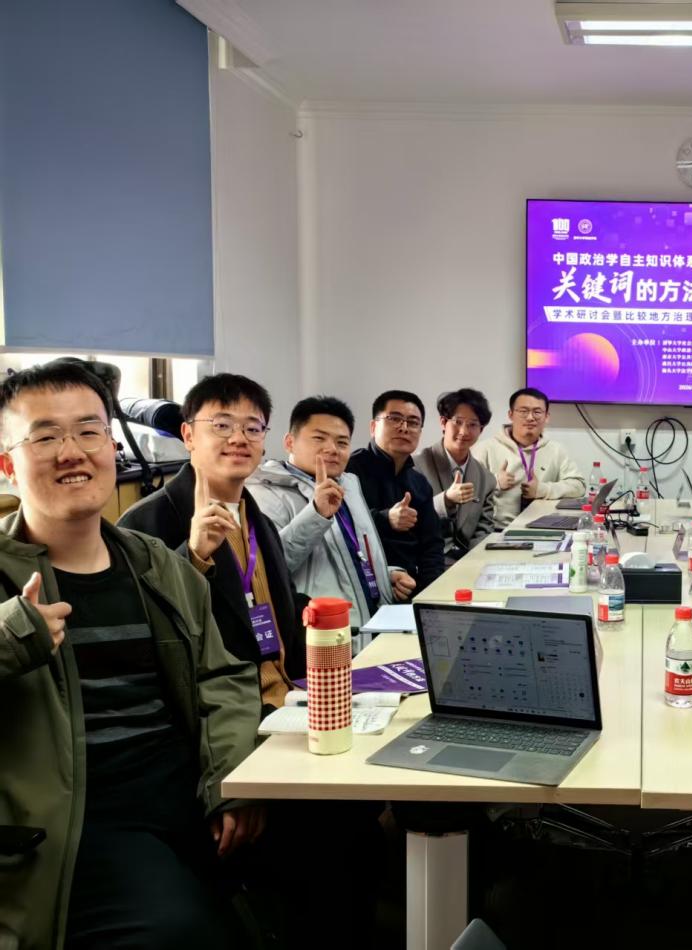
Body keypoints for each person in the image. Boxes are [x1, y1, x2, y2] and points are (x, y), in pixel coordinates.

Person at [0, 362, 260, 948]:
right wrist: (11, 637)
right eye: (45, 436)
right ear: (7, 465)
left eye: (89, 431)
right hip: (79, 824)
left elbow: (223, 677)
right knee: (182, 931)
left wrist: (232, 784)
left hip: (186, 801)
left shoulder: (156, 565)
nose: (72, 451)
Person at [120, 373, 306, 709]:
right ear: (188, 435)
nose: (239, 438)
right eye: (222, 426)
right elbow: (142, 634)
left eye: (253, 428)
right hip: (223, 713)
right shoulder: (144, 523)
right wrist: (192, 557)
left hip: (291, 695)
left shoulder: (259, 522)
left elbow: (284, 608)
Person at [249, 396, 410, 629]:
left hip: (370, 624)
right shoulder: (264, 493)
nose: (332, 449)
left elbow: (348, 556)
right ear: (289, 442)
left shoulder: (348, 485)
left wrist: (384, 576)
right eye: (319, 438)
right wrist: (316, 513)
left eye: (342, 442)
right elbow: (265, 570)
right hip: (322, 634)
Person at [345, 389, 446, 592]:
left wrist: (428, 593)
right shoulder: (348, 471)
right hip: (362, 585)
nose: (404, 428)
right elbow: (339, 529)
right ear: (373, 427)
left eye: (413, 422)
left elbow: (432, 545)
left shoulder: (419, 483)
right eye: (394, 419)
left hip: (410, 586)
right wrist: (386, 519)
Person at [469, 387, 584, 530]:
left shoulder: (556, 450)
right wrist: (495, 482)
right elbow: (465, 490)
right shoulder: (485, 448)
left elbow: (578, 486)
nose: (530, 417)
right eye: (523, 411)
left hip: (544, 530)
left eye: (537, 412)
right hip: (497, 531)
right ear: (510, 415)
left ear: (547, 417)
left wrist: (542, 489)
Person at [416, 388, 497, 562]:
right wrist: (445, 500)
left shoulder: (486, 478)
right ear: (443, 422)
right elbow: (411, 519)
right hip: (426, 562)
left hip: (468, 562)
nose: (464, 431)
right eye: (458, 422)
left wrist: (473, 563)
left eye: (473, 425)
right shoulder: (416, 466)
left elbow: (483, 531)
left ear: (481, 430)